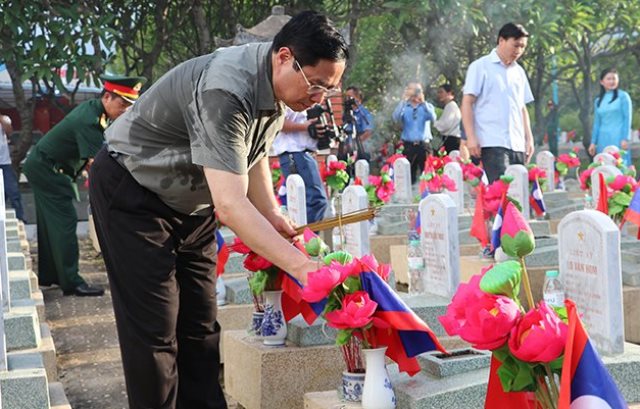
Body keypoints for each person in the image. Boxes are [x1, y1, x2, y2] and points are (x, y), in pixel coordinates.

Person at [89, 11, 348, 409]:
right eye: (315, 86)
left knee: (201, 328)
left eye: (326, 91)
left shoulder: (278, 89)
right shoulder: (227, 89)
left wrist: (272, 213)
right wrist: (302, 267)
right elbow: (229, 205)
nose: (317, 100)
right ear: (284, 57)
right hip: (135, 192)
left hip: (192, 203)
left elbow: (252, 154)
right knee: (155, 335)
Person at [22, 74, 146, 297]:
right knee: (65, 221)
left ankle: (52, 276)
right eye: (123, 104)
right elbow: (96, 164)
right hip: (47, 170)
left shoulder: (96, 111)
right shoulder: (89, 120)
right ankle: (71, 282)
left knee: (51, 224)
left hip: (45, 165)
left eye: (130, 105)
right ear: (107, 97)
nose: (126, 110)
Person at [461, 22, 535, 183]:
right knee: (502, 192)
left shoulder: (519, 72)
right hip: (492, 141)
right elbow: (467, 102)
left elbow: (521, 107)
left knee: (519, 193)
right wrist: (471, 137)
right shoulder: (480, 67)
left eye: (523, 47)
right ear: (501, 40)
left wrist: (529, 138)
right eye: (516, 45)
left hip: (517, 143)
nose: (519, 51)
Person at [272, 106, 328, 223]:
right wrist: (306, 127)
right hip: (294, 153)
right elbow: (278, 122)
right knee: (315, 201)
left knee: (302, 202)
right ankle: (306, 239)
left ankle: (302, 238)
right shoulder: (287, 95)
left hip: (303, 153)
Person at [392, 82, 436, 183]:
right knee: (408, 176)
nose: (415, 93)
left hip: (424, 145)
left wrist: (423, 102)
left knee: (428, 175)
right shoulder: (404, 107)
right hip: (408, 146)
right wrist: (403, 100)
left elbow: (433, 117)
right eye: (412, 90)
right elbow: (395, 117)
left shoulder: (427, 106)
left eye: (417, 90)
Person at [589, 68, 633, 165]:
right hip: (602, 138)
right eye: (609, 79)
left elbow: (627, 118)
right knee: (604, 166)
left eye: (614, 78)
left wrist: (625, 138)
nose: (612, 81)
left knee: (620, 165)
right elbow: (597, 123)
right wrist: (593, 142)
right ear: (601, 82)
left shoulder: (623, 97)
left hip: (618, 138)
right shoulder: (598, 101)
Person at [0, 114, 25, 222]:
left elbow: (8, 129)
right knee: (3, 193)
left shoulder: (3, 120)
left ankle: (20, 219)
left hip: (5, 164)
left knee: (13, 192)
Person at [344, 86, 374, 160]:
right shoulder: (346, 113)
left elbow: (368, 132)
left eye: (350, 97)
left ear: (358, 99)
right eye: (346, 97)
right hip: (349, 150)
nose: (347, 100)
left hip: (362, 149)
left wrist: (353, 144)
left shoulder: (364, 113)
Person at [434, 83, 461, 154]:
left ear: (449, 94)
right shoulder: (450, 106)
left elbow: (445, 125)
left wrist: (434, 122)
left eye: (441, 92)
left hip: (451, 140)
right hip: (453, 140)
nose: (439, 95)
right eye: (438, 92)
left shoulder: (450, 106)